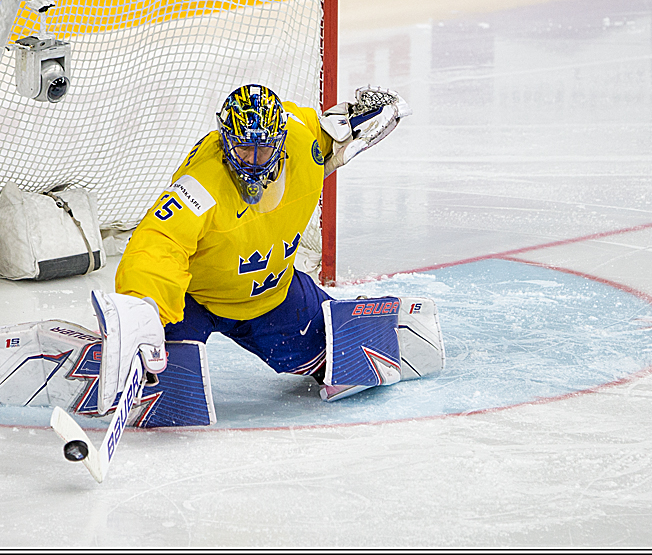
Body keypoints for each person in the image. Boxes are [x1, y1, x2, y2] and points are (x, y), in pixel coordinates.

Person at [92, 83, 412, 414]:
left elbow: (330, 128)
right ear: (224, 139)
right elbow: (157, 244)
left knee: (345, 359)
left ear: (281, 141)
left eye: (264, 148)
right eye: (243, 148)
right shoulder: (200, 185)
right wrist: (143, 312)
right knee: (165, 387)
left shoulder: (301, 140)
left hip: (270, 294)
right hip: (196, 299)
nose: (253, 161)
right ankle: (125, 352)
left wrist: (358, 121)